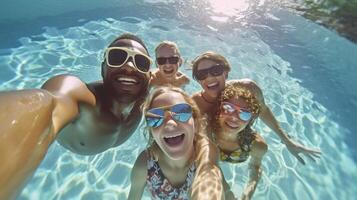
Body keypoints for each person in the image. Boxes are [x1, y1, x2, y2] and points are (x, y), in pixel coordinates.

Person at [0, 33, 153, 200]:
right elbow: (47, 104)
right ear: (103, 69)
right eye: (117, 57)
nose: (130, 67)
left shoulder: (144, 95)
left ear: (147, 75)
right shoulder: (82, 98)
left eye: (141, 62)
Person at [191, 51, 321, 166]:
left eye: (215, 70)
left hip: (239, 139)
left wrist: (287, 141)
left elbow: (263, 111)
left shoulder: (246, 88)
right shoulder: (195, 104)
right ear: (198, 80)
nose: (209, 77)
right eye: (201, 74)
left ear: (226, 72)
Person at [128, 86, 225, 200]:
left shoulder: (205, 151)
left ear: (195, 121)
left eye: (181, 112)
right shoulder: (145, 165)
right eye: (155, 117)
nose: (170, 124)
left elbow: (209, 177)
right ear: (151, 131)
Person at [213, 82, 268, 199]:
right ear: (219, 109)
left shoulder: (257, 145)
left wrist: (248, 193)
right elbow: (211, 164)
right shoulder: (207, 133)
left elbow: (255, 167)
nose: (234, 117)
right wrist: (227, 191)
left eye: (244, 113)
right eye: (228, 108)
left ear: (251, 119)